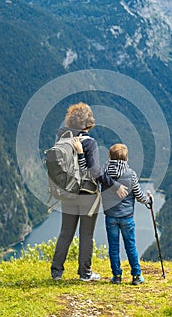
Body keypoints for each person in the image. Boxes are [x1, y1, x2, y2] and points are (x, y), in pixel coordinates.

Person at [51, 103, 128, 282]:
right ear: (88, 123)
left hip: (68, 193)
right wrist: (115, 186)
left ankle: (56, 272)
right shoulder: (89, 142)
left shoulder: (62, 141)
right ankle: (84, 273)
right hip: (88, 194)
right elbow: (95, 171)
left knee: (65, 232)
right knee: (86, 235)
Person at [101, 143, 153, 285]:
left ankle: (116, 276)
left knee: (113, 246)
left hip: (110, 216)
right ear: (126, 158)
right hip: (127, 217)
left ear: (110, 157)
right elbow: (139, 195)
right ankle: (136, 276)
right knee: (130, 246)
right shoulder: (131, 174)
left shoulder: (104, 174)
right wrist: (148, 201)